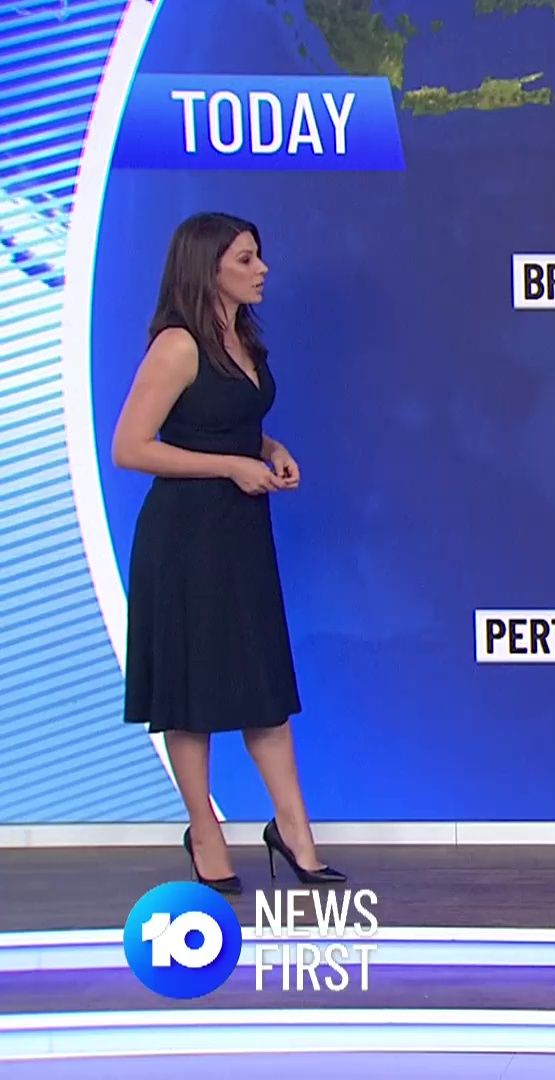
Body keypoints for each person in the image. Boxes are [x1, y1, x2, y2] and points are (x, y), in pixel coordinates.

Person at [111, 211, 345, 892]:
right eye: (245, 259)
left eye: (258, 256)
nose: (262, 268)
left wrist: (268, 448)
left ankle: (294, 831)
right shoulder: (178, 346)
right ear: (206, 267)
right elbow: (131, 447)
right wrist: (229, 467)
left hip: (241, 533)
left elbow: (225, 420)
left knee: (262, 685)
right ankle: (205, 831)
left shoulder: (242, 338)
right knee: (190, 692)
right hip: (185, 539)